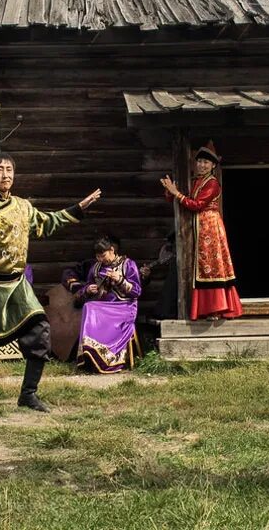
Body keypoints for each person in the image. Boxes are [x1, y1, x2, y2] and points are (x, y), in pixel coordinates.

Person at [0, 148, 101, 412]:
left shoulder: (23, 206)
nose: (5, 174)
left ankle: (28, 394)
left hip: (17, 286)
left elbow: (47, 222)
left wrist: (77, 209)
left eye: (9, 169)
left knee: (40, 334)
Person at [161, 141, 243, 320]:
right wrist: (170, 192)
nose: (201, 165)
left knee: (211, 266)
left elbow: (197, 205)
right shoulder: (196, 181)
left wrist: (176, 193)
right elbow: (185, 202)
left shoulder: (212, 183)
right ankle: (206, 309)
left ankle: (216, 308)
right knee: (201, 267)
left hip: (209, 227)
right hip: (199, 227)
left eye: (206, 162)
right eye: (199, 161)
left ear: (213, 165)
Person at [74, 235, 141, 373]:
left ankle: (109, 357)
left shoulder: (128, 264)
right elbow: (83, 291)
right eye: (98, 256)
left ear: (112, 250)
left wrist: (120, 280)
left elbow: (137, 292)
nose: (100, 259)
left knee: (92, 308)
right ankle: (91, 355)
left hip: (124, 308)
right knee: (89, 306)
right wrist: (88, 289)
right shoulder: (96, 268)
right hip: (103, 307)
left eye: (103, 255)